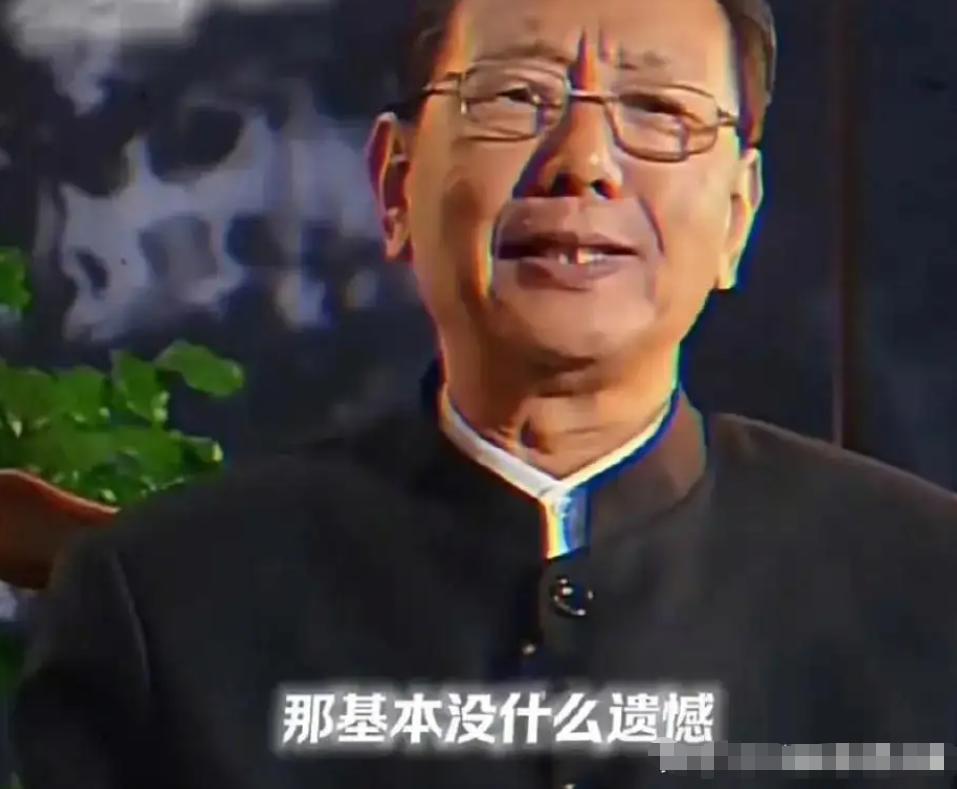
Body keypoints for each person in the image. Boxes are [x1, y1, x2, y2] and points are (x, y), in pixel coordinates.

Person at [13, 0, 957, 787]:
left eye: (658, 109)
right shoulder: (165, 603)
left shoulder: (926, 584)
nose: (583, 159)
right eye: (515, 96)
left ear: (736, 218)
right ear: (396, 184)